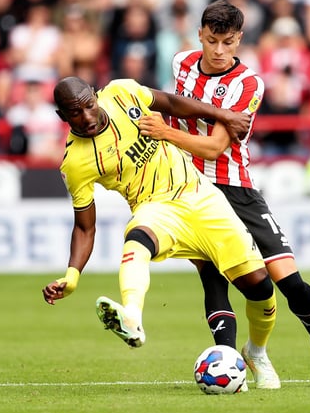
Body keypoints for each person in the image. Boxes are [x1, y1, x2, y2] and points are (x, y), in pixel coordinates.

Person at [138, 0, 310, 387]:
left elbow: (215, 148)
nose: (218, 51)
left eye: (228, 43)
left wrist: (164, 133)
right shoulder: (181, 63)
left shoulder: (248, 84)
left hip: (237, 188)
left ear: (239, 40)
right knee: (213, 277)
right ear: (200, 34)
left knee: (287, 281)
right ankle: (235, 364)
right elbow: (177, 106)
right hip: (191, 189)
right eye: (212, 40)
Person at [41, 76, 280, 389]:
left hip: (200, 195)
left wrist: (223, 115)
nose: (86, 117)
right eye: (75, 113)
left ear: (96, 95)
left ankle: (256, 352)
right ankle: (132, 318)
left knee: (260, 289)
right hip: (155, 208)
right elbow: (85, 226)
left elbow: (173, 103)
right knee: (136, 240)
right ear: (62, 116)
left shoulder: (121, 93)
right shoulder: (75, 163)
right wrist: (72, 277)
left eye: (88, 105)